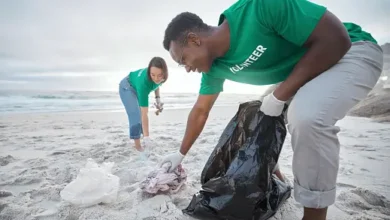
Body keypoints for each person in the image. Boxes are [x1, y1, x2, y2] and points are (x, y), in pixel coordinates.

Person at [159, 0, 384, 219]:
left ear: (193, 39)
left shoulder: (260, 8)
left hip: (351, 50)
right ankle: (273, 180)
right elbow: (201, 110)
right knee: (255, 118)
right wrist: (180, 154)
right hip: (306, 68)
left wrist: (280, 95)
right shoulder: (214, 69)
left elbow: (336, 39)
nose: (187, 68)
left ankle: (315, 215)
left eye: (183, 59)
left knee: (306, 118)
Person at [119, 56, 168, 152]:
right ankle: (138, 145)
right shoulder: (144, 84)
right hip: (127, 87)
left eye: (159, 75)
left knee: (140, 115)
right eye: (153, 75)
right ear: (149, 72)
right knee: (136, 114)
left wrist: (158, 100)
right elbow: (144, 113)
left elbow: (156, 85)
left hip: (136, 86)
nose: (156, 78)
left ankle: (142, 137)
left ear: (164, 73)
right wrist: (147, 137)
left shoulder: (160, 78)